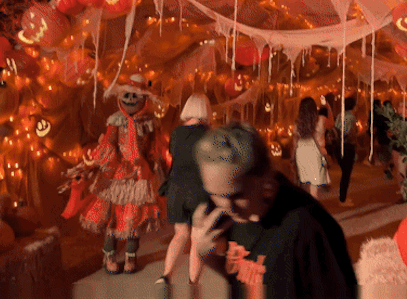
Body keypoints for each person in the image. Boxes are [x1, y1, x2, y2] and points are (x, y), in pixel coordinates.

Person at [191, 122, 358, 299]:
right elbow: (248, 283)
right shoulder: (234, 215)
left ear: (265, 177)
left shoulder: (309, 227)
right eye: (214, 194)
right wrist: (211, 259)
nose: (226, 206)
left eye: (236, 195)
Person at [77, 73, 167, 274]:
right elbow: (109, 143)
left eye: (135, 96)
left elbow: (153, 145)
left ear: (144, 99)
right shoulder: (116, 121)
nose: (130, 100)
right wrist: (105, 159)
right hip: (118, 174)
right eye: (126, 95)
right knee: (113, 218)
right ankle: (108, 255)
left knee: (134, 219)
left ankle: (130, 258)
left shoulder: (150, 122)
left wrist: (154, 161)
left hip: (139, 175)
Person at [156, 93, 213, 294]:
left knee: (179, 235)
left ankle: (166, 276)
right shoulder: (209, 134)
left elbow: (173, 157)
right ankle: (193, 286)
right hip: (199, 191)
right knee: (197, 240)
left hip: (176, 190)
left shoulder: (176, 133)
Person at [293, 97, 329, 199]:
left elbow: (295, 142)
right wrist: (326, 106)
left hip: (301, 152)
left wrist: (293, 158)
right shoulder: (320, 120)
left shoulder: (298, 123)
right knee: (314, 188)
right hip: (314, 152)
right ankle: (313, 211)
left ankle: (305, 210)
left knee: (304, 185)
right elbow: (330, 125)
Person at [335, 96, 359, 207]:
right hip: (348, 146)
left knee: (344, 172)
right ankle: (342, 199)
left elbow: (336, 129)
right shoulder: (352, 117)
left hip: (338, 146)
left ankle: (342, 197)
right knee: (346, 174)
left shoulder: (340, 115)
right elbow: (352, 133)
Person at [372, 99, 393, 178]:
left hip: (382, 138)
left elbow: (375, 129)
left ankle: (386, 170)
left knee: (384, 157)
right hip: (390, 138)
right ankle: (389, 169)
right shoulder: (391, 116)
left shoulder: (379, 116)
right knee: (390, 156)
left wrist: (375, 138)